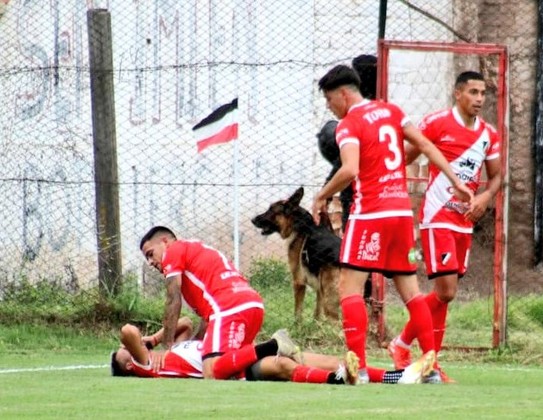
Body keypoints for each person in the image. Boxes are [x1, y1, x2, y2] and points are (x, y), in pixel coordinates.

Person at [311, 65, 475, 384]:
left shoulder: (348, 125)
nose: (330, 107)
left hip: (370, 214)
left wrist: (322, 195)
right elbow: (426, 145)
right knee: (411, 292)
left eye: (329, 100)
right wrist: (456, 181)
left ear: (343, 94)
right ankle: (430, 368)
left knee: (349, 287)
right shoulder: (392, 111)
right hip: (400, 215)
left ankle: (357, 368)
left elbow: (350, 169)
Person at [389, 71, 502, 383]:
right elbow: (404, 157)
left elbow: (496, 175)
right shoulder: (436, 123)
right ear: (458, 93)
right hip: (437, 217)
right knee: (447, 292)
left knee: (444, 296)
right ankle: (412, 350)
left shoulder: (489, 134)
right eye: (473, 92)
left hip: (464, 222)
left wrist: (484, 198)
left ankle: (423, 359)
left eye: (483, 93)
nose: (479, 99)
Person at [139, 226, 302, 380]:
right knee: (237, 367)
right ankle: (303, 366)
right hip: (252, 304)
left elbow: (172, 300)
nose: (150, 262)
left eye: (150, 254)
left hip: (229, 308)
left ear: (165, 241)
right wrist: (195, 343)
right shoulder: (195, 250)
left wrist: (166, 347)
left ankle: (272, 345)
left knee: (211, 371)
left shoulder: (173, 251)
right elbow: (207, 320)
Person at [111, 317, 428, 385]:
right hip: (234, 369)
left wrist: (158, 338)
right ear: (128, 364)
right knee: (281, 365)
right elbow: (127, 331)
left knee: (331, 360)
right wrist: (145, 344)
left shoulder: (171, 351)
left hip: (235, 353)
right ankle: (336, 380)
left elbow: (184, 322)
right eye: (122, 352)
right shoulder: (146, 365)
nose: (124, 347)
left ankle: (399, 377)